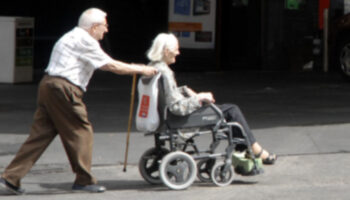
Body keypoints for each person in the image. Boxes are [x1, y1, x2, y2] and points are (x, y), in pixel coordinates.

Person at [0, 8, 157, 195]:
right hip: (64, 88)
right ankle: (84, 180)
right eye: (104, 26)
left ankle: (10, 178)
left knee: (41, 135)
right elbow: (110, 65)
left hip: (49, 85)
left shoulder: (71, 36)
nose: (106, 30)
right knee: (81, 131)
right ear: (94, 27)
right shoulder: (85, 40)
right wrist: (140, 69)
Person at [146, 33, 277, 165]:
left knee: (227, 111)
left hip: (167, 116)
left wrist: (186, 90)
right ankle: (256, 150)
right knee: (232, 111)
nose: (178, 52)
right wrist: (199, 97)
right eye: (176, 49)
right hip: (178, 119)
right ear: (167, 51)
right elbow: (177, 107)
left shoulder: (153, 68)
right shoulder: (166, 73)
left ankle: (245, 148)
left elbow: (169, 93)